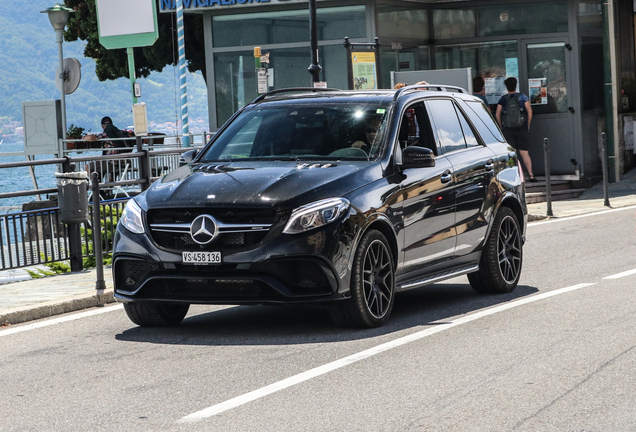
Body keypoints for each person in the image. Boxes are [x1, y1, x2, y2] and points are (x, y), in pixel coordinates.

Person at [495, 77, 537, 182]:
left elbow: (497, 114)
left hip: (508, 129)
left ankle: (514, 176)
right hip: (521, 128)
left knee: (512, 154)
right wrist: (528, 124)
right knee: (524, 153)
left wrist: (501, 127)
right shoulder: (522, 97)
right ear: (516, 85)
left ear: (506, 86)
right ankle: (531, 175)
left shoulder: (503, 99)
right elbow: (530, 111)